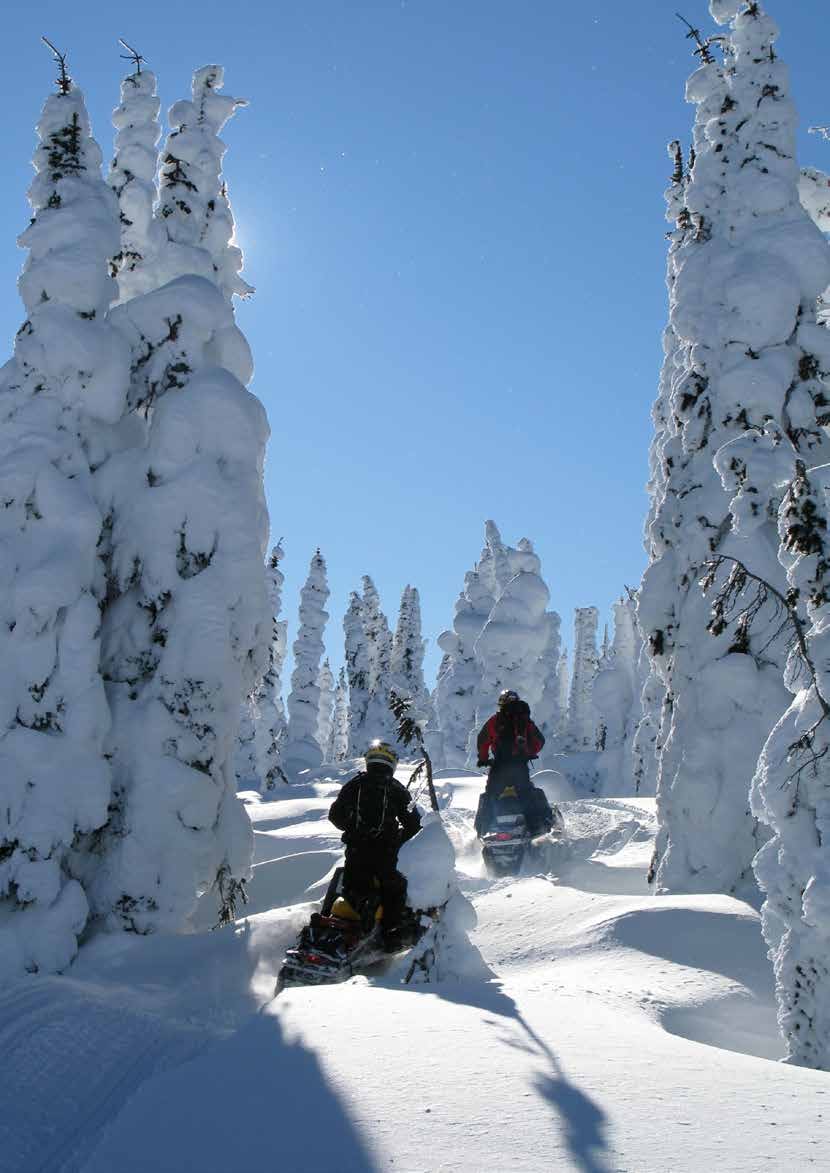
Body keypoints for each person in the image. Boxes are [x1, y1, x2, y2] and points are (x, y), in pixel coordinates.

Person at [328, 740, 421, 943]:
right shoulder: (396, 788)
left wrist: (352, 829)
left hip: (356, 850)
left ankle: (332, 915)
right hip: (386, 853)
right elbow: (414, 824)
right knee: (396, 888)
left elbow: (334, 815)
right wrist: (399, 839)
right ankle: (390, 936)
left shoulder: (355, 784)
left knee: (349, 885)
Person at [475, 689, 552, 836]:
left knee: (491, 795)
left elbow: (482, 740)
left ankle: (484, 829)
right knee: (526, 794)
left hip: (499, 767)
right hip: (519, 766)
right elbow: (539, 741)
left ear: (501, 703)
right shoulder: (525, 720)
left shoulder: (495, 721)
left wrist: (483, 758)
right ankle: (536, 828)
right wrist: (529, 753)